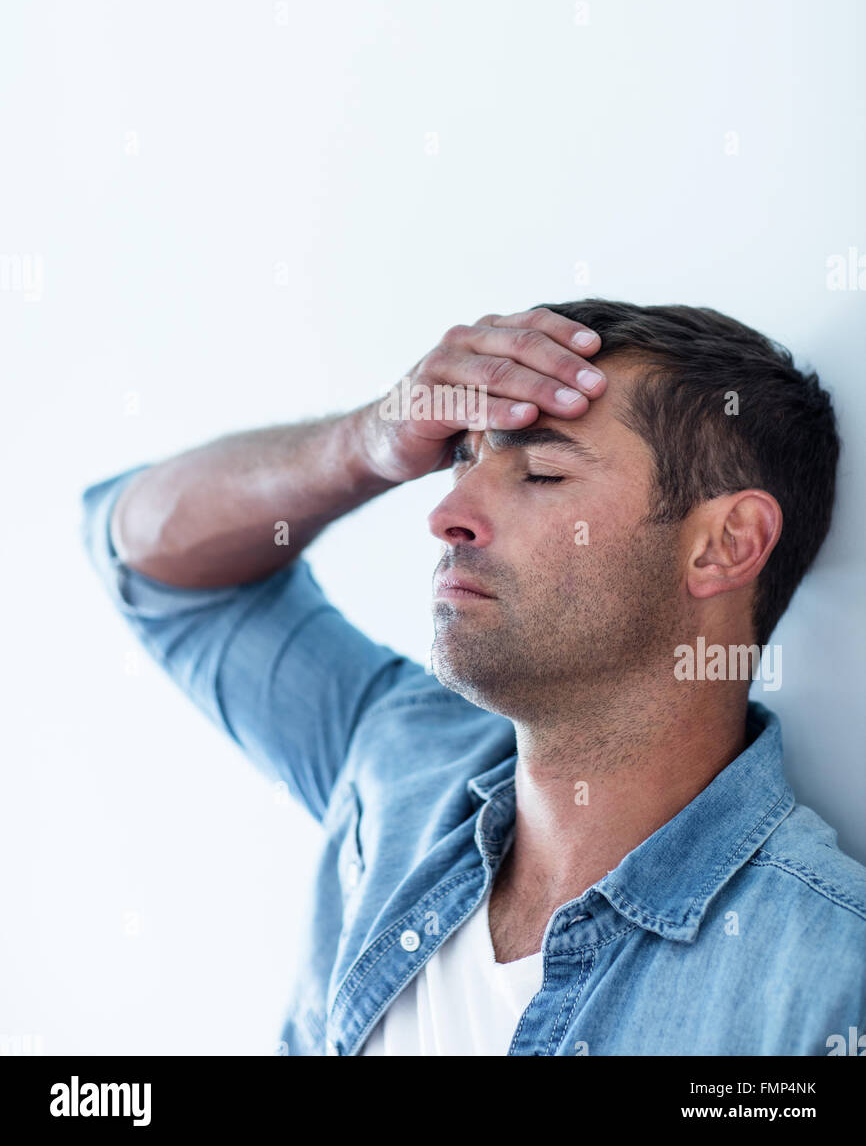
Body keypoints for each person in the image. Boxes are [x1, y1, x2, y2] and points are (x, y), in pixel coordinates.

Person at [80, 299, 866, 1056]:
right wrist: (365, 444)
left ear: (724, 546)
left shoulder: (826, 979)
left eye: (543, 476)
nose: (446, 512)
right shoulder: (400, 761)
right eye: (464, 459)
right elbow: (149, 565)